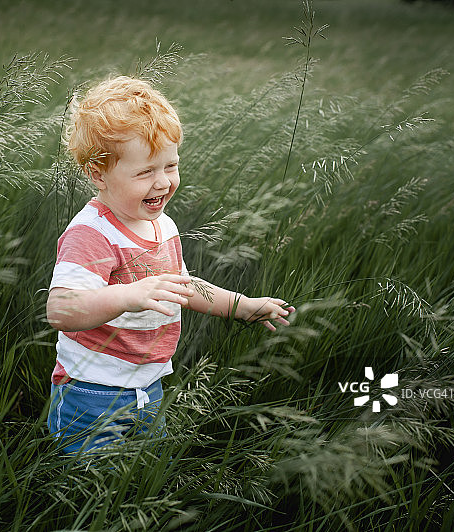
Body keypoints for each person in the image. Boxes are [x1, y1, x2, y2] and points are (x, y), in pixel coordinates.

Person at [46, 76, 295, 454]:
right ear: (99, 174)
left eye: (170, 166)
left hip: (150, 384)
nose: (162, 182)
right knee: (94, 488)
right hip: (92, 391)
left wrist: (241, 305)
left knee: (145, 474)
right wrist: (129, 294)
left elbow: (181, 284)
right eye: (145, 172)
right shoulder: (91, 233)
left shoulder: (162, 225)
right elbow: (61, 309)